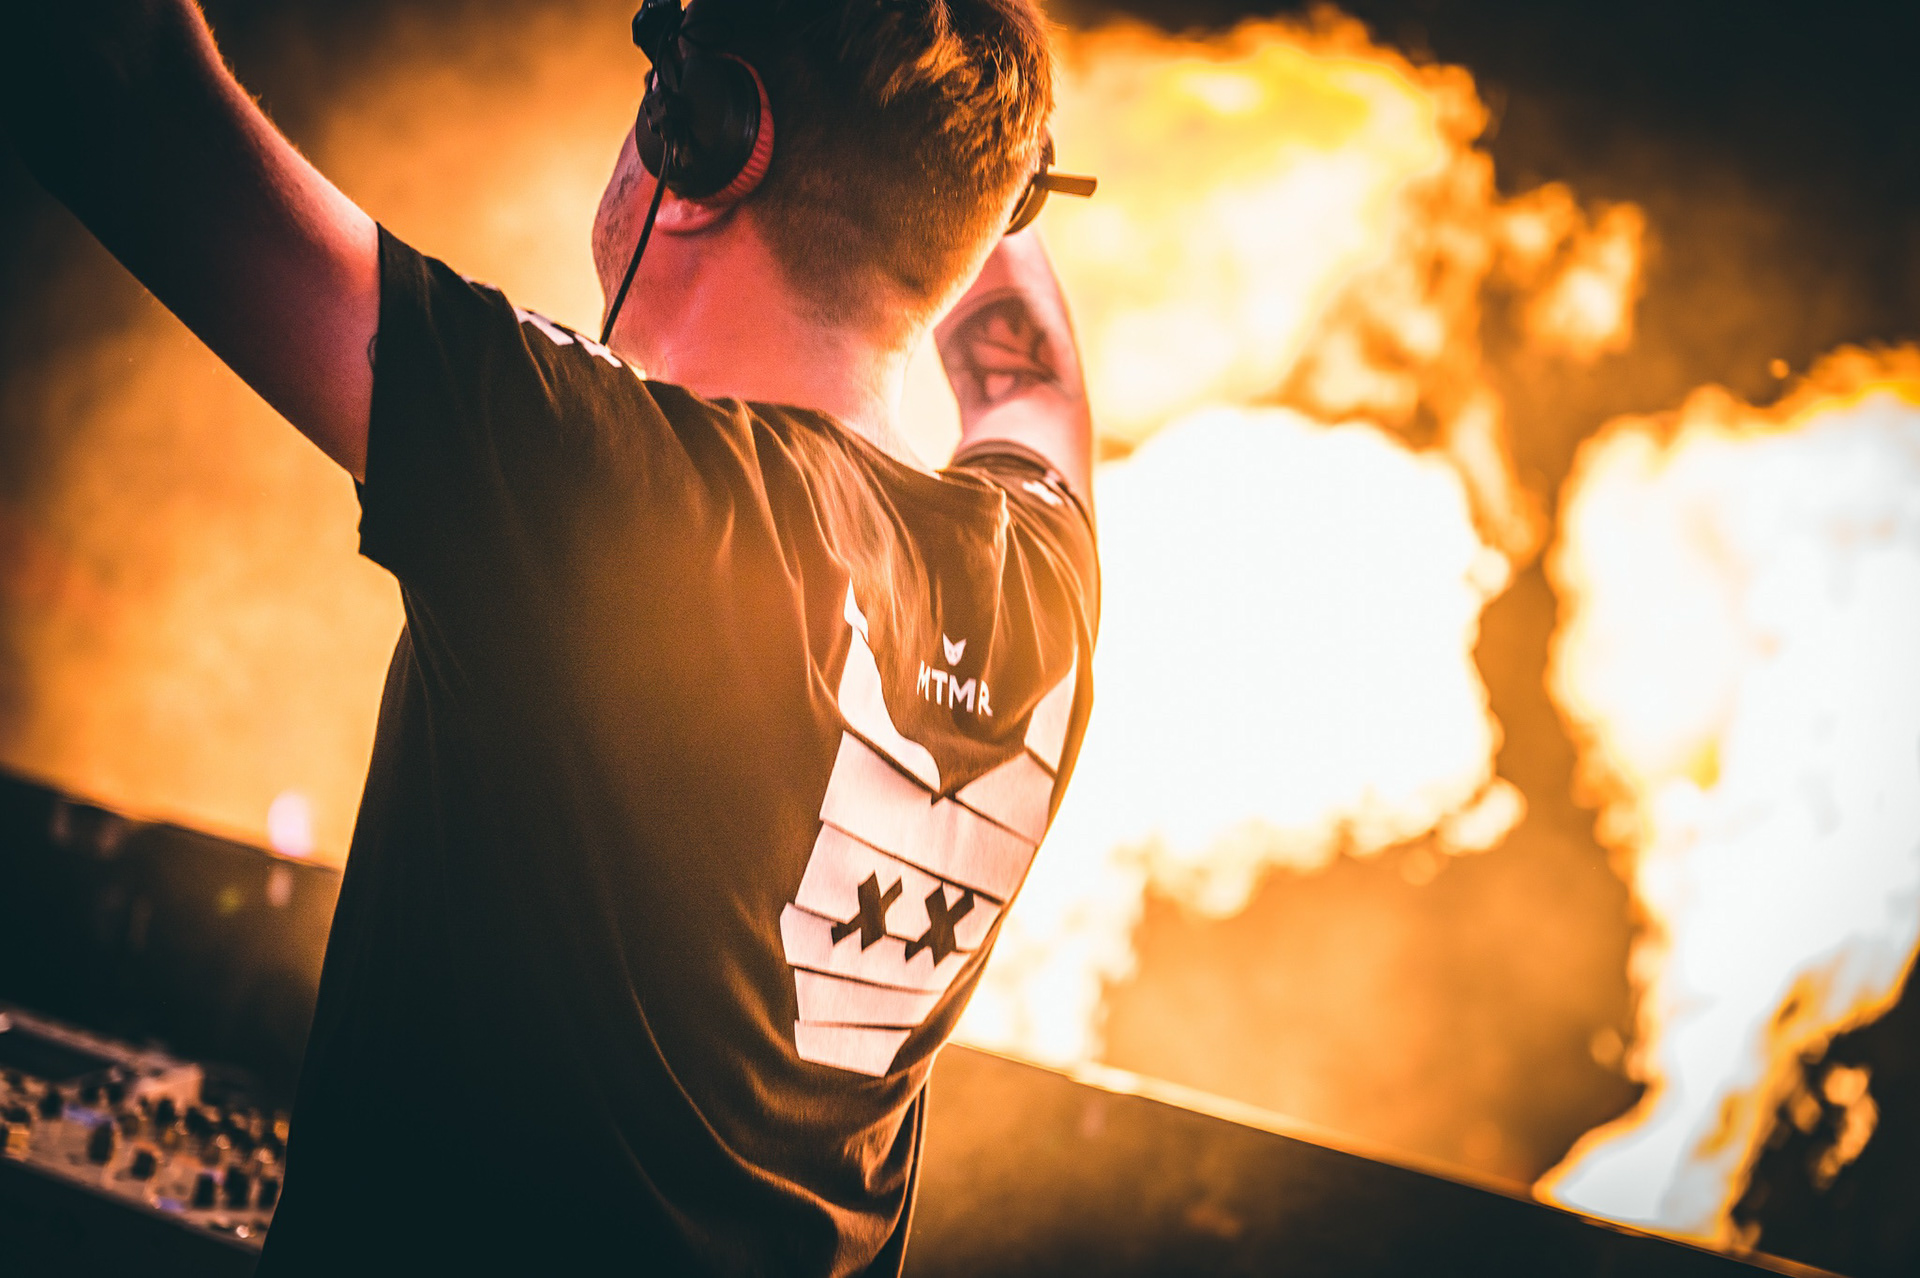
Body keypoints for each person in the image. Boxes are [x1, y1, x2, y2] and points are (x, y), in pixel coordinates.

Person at [3, 0, 1097, 1274]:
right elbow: (1035, 380)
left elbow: (119, 84)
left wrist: (970, 139)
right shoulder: (1044, 579)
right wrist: (975, 148)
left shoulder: (609, 498)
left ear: (704, 141)